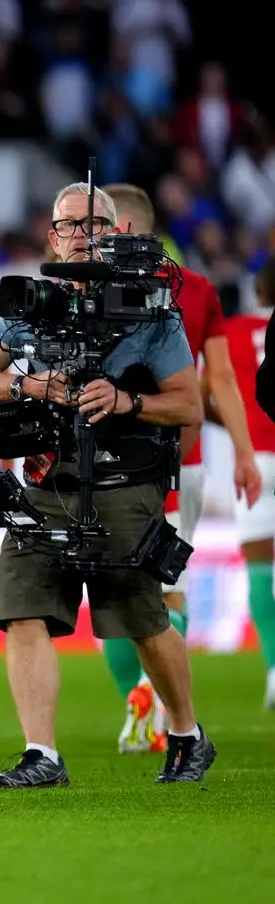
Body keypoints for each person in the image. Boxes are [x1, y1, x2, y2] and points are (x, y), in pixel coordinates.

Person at [0, 182, 215, 788]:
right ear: (51, 236)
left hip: (125, 480)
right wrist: (29, 388)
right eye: (71, 225)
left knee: (143, 620)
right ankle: (41, 753)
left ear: (118, 233)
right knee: (23, 609)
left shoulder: (151, 309)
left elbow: (187, 404)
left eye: (95, 224)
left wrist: (128, 398)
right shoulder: (32, 306)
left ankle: (186, 733)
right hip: (46, 481)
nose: (83, 235)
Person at [100, 183, 262, 752]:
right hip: (182, 462)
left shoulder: (89, 288)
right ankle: (158, 701)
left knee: (109, 584)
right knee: (171, 586)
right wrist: (243, 452)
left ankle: (136, 701)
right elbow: (219, 379)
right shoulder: (194, 289)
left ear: (120, 229)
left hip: (105, 462)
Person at [221, 258, 275, 708]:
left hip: (256, 458)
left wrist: (236, 428)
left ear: (258, 291)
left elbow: (207, 392)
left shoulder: (235, 330)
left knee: (259, 563)